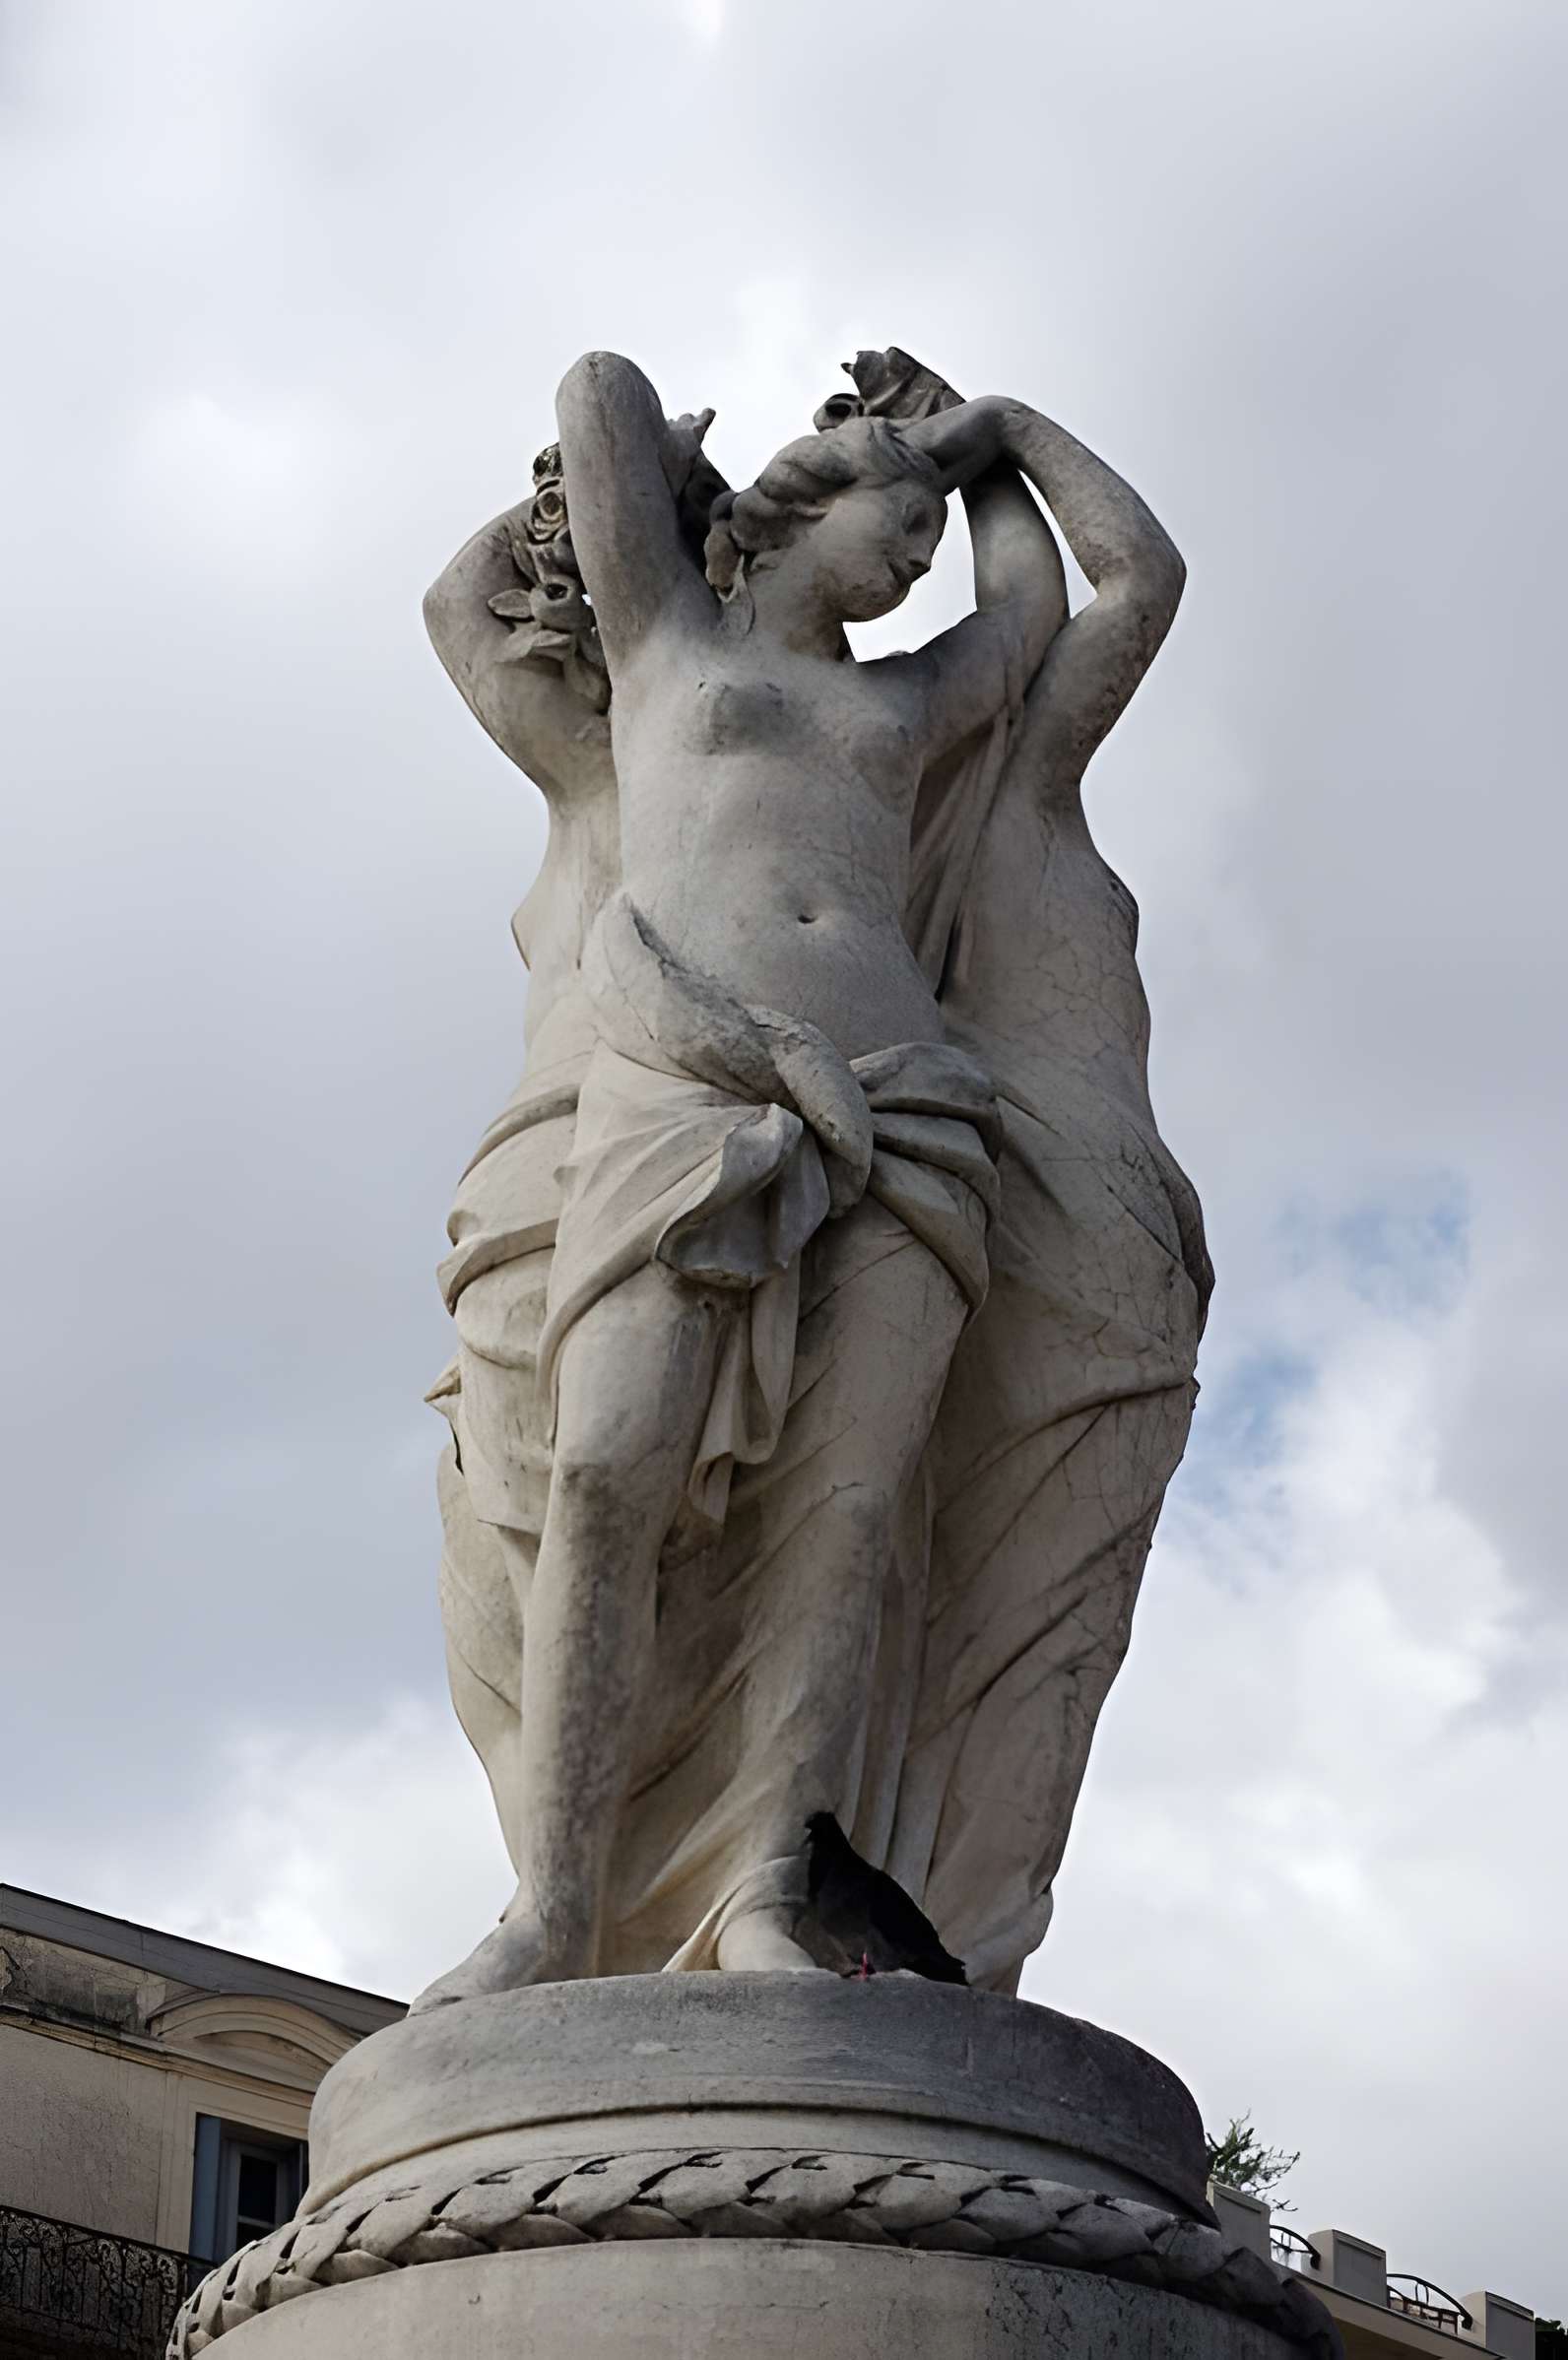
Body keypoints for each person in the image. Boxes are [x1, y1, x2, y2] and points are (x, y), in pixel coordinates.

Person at [414, 352, 1076, 2003]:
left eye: (928, 544)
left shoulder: (908, 704)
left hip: (906, 1109)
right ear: (800, 502)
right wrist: (903, 442)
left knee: (839, 1524)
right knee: (608, 1469)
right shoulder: (665, 645)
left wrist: (999, 447)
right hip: (687, 1078)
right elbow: (595, 390)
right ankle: (552, 1908)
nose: (915, 560)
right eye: (898, 526)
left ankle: (765, 1892)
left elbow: (1030, 615)